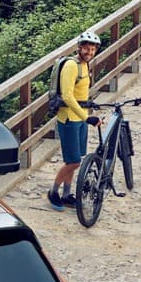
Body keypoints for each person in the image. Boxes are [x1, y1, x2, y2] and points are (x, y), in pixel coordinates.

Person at [47, 29, 102, 210]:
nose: (89, 53)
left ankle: (66, 195)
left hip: (79, 117)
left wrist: (88, 105)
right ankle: (53, 192)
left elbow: (80, 92)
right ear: (79, 48)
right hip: (69, 119)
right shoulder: (72, 66)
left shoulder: (85, 65)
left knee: (74, 159)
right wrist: (87, 118)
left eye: (93, 50)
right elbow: (68, 96)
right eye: (86, 49)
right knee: (73, 162)